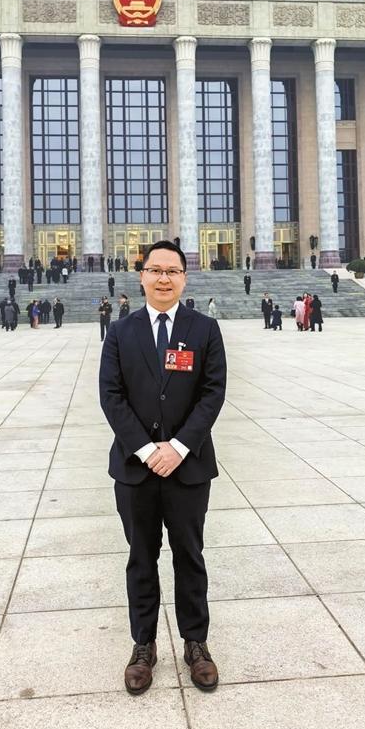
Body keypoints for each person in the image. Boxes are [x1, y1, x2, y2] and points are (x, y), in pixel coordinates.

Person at [99, 240, 226, 696]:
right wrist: (146, 449)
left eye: (172, 271)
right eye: (155, 270)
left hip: (188, 468)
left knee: (190, 556)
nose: (164, 278)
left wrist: (178, 447)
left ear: (185, 278)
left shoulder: (204, 329)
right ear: (142, 276)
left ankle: (196, 643)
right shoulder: (121, 331)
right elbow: (111, 396)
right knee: (141, 557)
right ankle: (144, 645)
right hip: (135, 470)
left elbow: (212, 393)